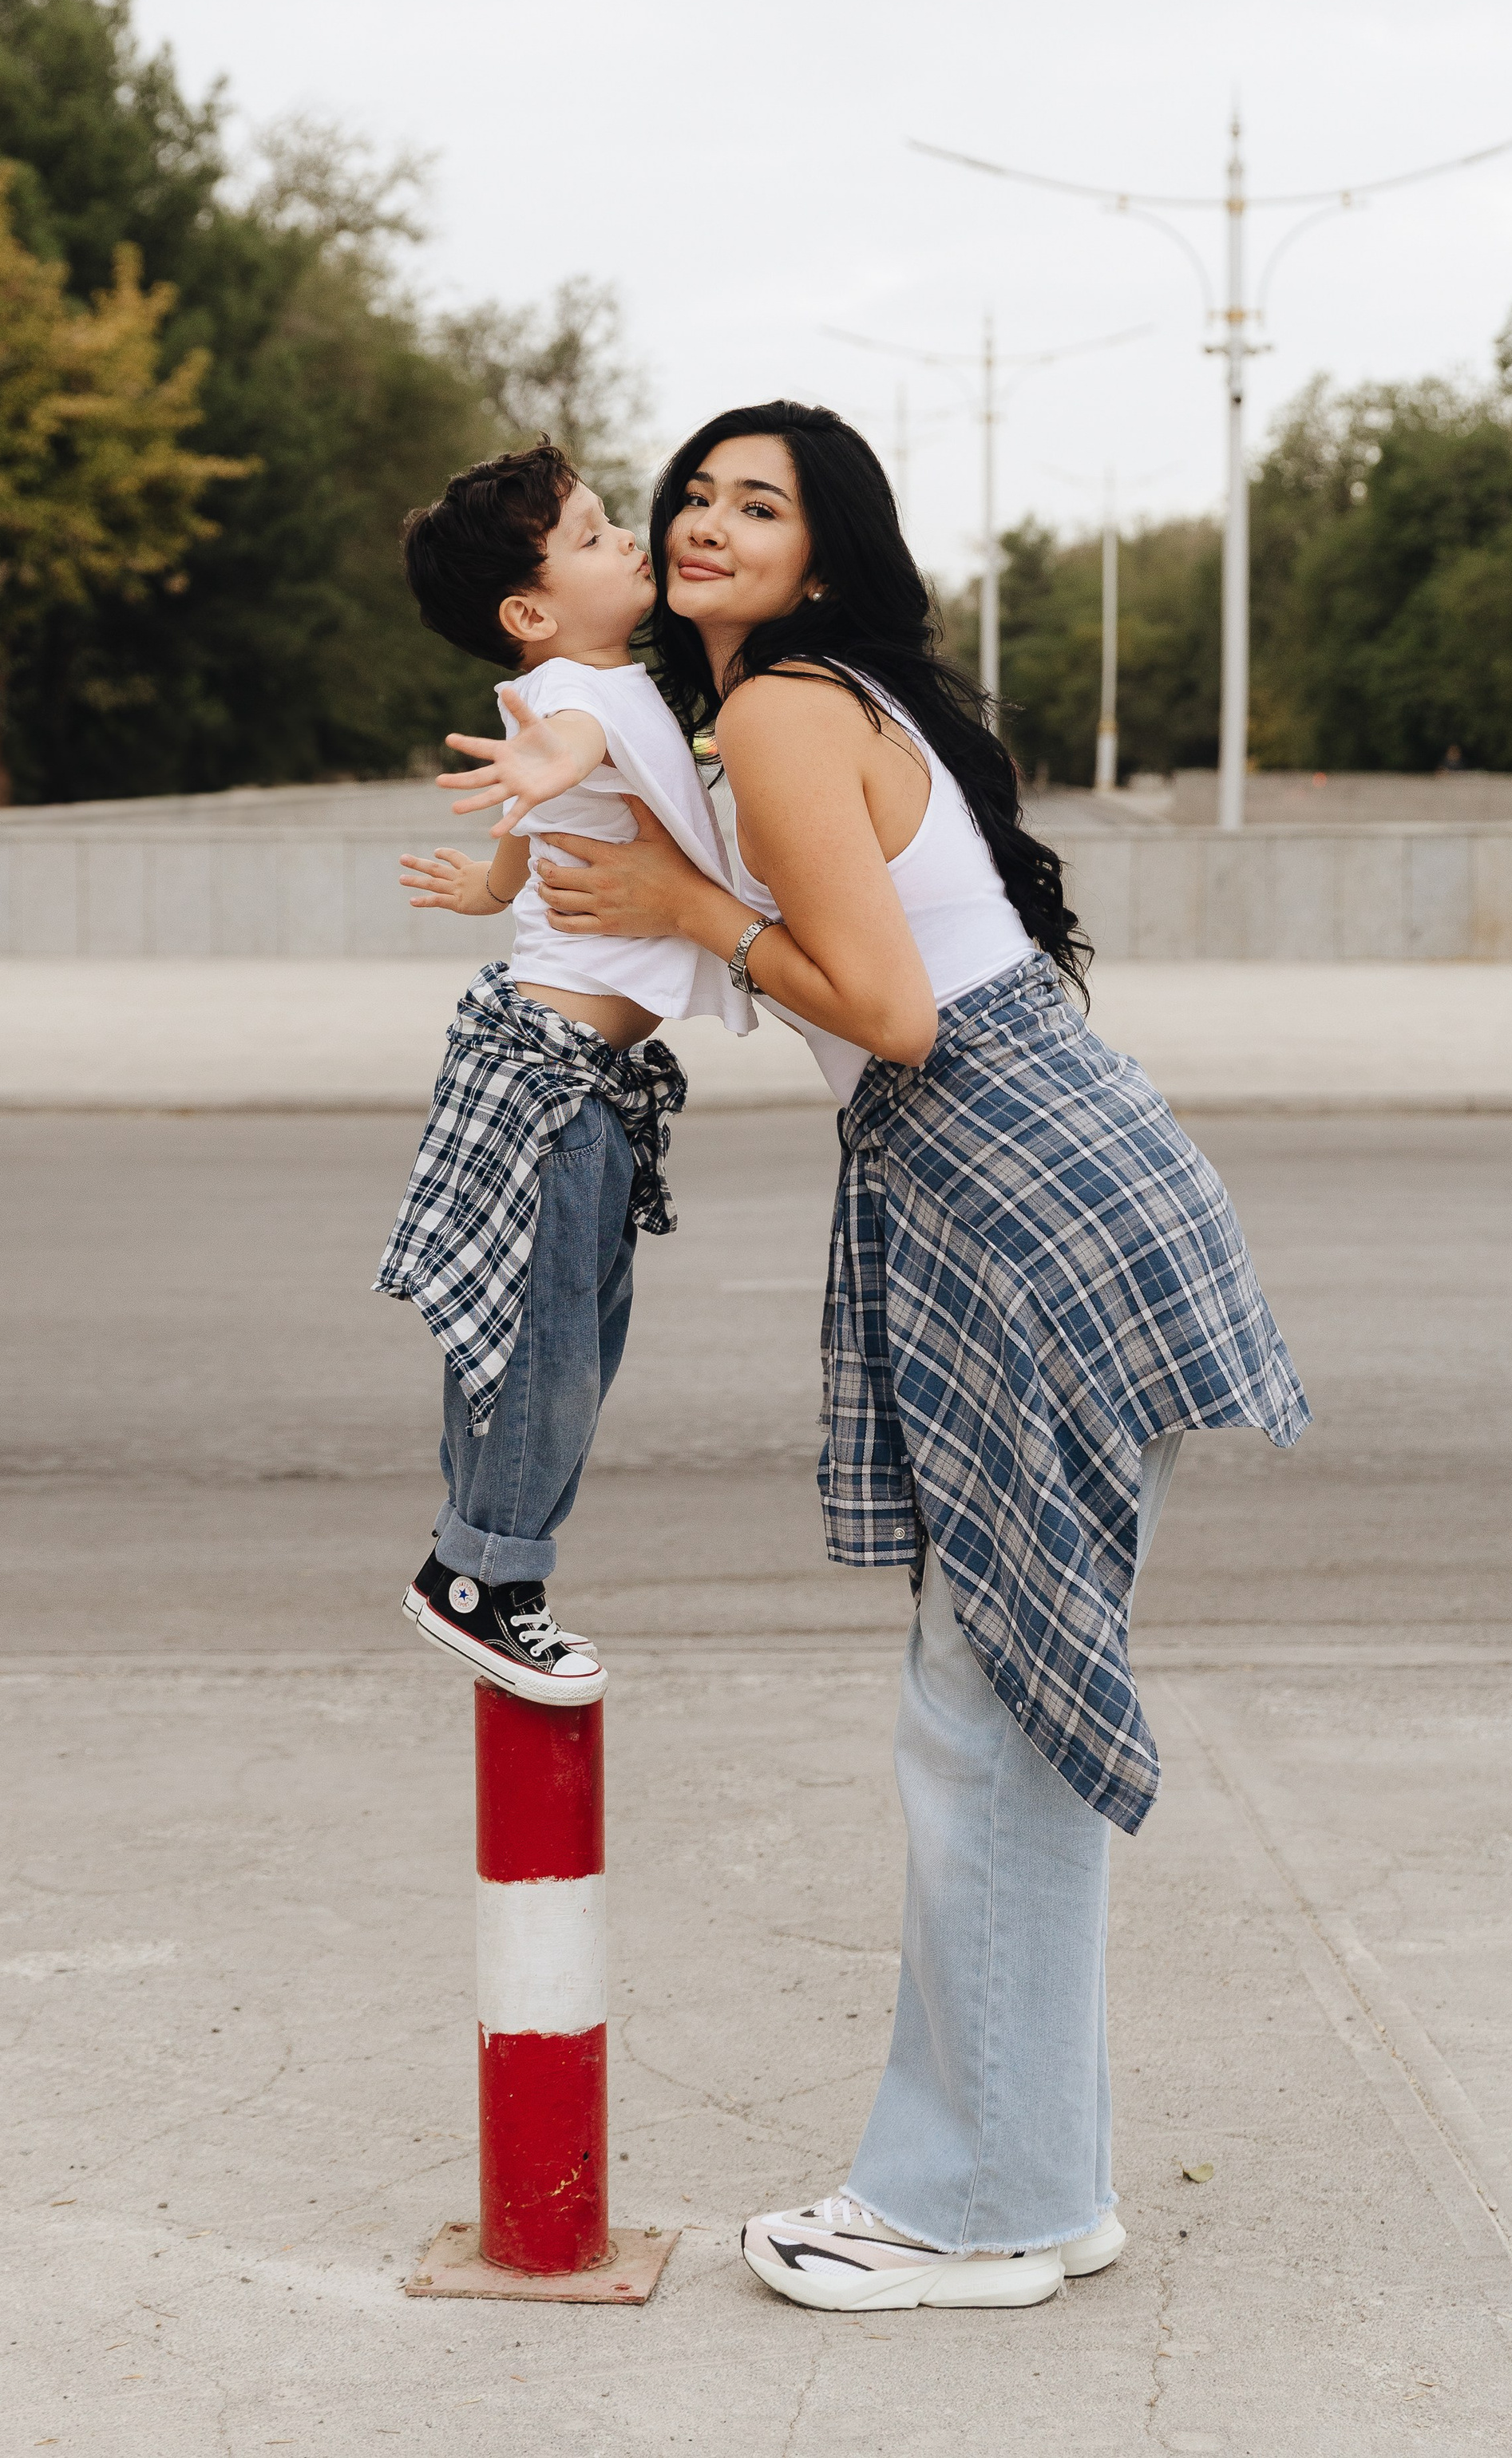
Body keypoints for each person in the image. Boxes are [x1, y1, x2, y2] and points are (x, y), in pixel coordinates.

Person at [533, 402, 1310, 2311]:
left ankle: (977, 2211)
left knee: (984, 1720)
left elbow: (881, 1010)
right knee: (1001, 1712)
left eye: (757, 504)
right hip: (1024, 1183)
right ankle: (1039, 2178)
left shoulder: (792, 709)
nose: (707, 525)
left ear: (824, 549)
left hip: (1009, 1199)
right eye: (692, 497)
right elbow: (755, 956)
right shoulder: (774, 715)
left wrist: (689, 904)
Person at [374, 440, 753, 1708]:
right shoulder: (572, 697)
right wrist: (547, 762)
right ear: (531, 612)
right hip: (550, 1074)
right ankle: (480, 1578)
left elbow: (538, 831)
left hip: (577, 1073)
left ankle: (487, 1560)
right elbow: (573, 743)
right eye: (593, 537)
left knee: (558, 1332)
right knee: (549, 1349)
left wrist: (485, 880)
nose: (630, 541)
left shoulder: (591, 695)